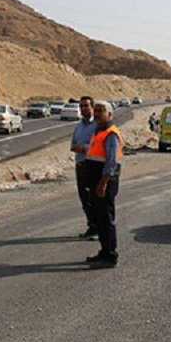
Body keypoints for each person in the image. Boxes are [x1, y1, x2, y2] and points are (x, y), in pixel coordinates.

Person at [84, 101, 123, 268]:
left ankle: (110, 255)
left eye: (101, 111)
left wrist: (102, 183)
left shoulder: (111, 135)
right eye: (96, 110)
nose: (97, 114)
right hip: (96, 184)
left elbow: (111, 163)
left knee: (106, 219)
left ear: (109, 115)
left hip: (104, 184)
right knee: (100, 219)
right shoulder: (97, 132)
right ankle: (104, 250)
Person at [70, 96, 98, 239]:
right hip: (80, 165)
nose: (83, 109)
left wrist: (85, 148)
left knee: (93, 198)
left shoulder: (97, 126)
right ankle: (91, 226)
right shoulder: (79, 126)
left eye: (86, 106)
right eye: (81, 106)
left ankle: (98, 228)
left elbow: (100, 146)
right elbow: (73, 143)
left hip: (92, 166)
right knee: (84, 198)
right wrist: (76, 148)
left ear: (92, 107)